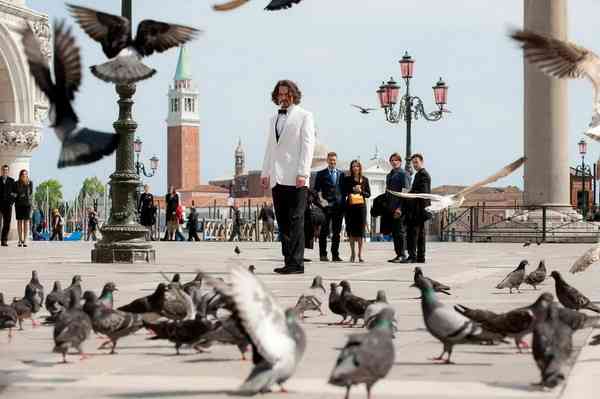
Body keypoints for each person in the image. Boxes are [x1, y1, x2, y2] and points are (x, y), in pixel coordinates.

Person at [260, 79, 315, 274]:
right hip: (277, 177)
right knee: (283, 221)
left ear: (293, 94)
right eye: (279, 94)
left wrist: (303, 173)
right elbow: (270, 148)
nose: (282, 97)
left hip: (296, 177)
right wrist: (265, 172)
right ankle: (288, 261)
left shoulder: (304, 116)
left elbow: (308, 147)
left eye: (286, 94)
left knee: (296, 219)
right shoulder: (272, 119)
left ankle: (297, 263)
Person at [313, 152, 345, 262]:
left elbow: (343, 190)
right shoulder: (321, 174)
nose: (332, 162)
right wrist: (321, 202)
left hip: (338, 207)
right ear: (327, 161)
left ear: (336, 161)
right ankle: (323, 254)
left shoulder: (341, 174)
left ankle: (335, 255)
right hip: (326, 208)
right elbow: (316, 190)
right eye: (331, 160)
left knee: (336, 232)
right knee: (324, 231)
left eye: (334, 160)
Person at [404, 153, 431, 263]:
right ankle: (420, 257)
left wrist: (409, 194)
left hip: (419, 210)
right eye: (413, 163)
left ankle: (413, 256)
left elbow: (422, 193)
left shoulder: (423, 175)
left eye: (416, 162)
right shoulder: (419, 174)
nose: (414, 165)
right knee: (420, 234)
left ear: (421, 162)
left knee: (414, 234)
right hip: (419, 209)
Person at [342, 160, 371, 263]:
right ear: (351, 168)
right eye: (353, 166)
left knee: (360, 232)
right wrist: (351, 190)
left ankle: (360, 253)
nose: (355, 168)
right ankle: (352, 253)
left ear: (360, 168)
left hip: (361, 208)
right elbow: (343, 191)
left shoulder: (365, 180)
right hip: (350, 207)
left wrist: (360, 191)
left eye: (357, 166)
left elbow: (368, 194)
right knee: (351, 231)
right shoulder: (347, 179)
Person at [385, 153, 410, 263]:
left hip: (400, 208)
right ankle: (398, 254)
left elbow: (405, 193)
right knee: (394, 232)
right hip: (391, 207)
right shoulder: (389, 175)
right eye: (392, 160)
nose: (394, 162)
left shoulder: (404, 174)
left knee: (400, 232)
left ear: (400, 162)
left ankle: (403, 254)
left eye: (396, 160)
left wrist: (400, 208)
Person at [14, 169, 33, 247]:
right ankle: (19, 239)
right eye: (23, 174)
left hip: (27, 204)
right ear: (20, 175)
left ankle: (25, 240)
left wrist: (25, 187)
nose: (24, 175)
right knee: (19, 222)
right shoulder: (16, 183)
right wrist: (19, 195)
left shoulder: (30, 183)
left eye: (26, 174)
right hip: (18, 204)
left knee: (26, 222)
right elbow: (14, 193)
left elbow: (31, 192)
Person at [0, 164, 16, 247]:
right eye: (3, 170)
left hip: (8, 205)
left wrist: (11, 203)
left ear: (8, 171)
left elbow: (14, 194)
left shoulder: (11, 181)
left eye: (6, 170)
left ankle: (4, 240)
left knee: (7, 223)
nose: (5, 171)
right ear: (1, 171)